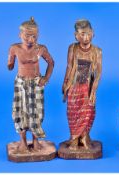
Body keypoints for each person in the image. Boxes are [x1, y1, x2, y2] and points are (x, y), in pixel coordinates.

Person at [7, 17, 54, 153]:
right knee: (19, 111)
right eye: (27, 36)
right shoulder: (15, 48)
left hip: (36, 82)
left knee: (36, 112)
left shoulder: (41, 49)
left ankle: (35, 141)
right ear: (20, 35)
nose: (31, 39)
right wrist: (10, 63)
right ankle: (22, 142)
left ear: (38, 35)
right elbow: (10, 65)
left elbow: (51, 63)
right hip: (21, 83)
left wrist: (45, 78)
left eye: (34, 36)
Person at [62, 19, 102, 150]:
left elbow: (98, 73)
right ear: (76, 35)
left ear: (93, 33)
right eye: (82, 34)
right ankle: (74, 138)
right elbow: (69, 67)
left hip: (87, 87)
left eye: (88, 33)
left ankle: (84, 137)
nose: (86, 37)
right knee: (73, 112)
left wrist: (94, 91)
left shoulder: (97, 51)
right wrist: (65, 82)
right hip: (74, 86)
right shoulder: (72, 48)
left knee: (88, 112)